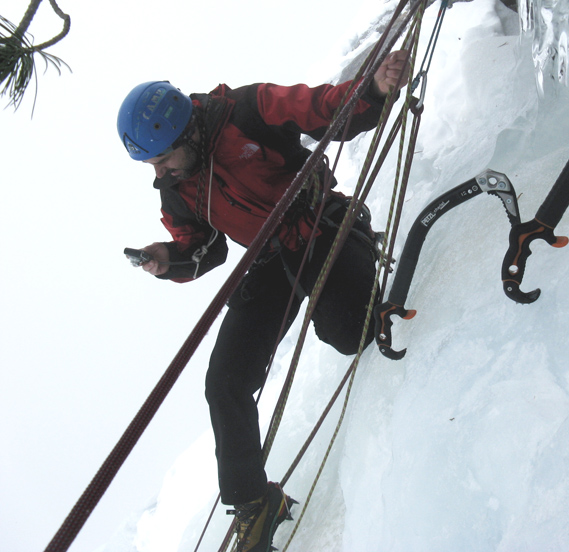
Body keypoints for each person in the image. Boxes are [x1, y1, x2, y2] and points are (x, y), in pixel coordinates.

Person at [117, 50, 410, 552]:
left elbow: (323, 109)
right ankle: (254, 503)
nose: (158, 171)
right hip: (269, 260)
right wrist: (168, 257)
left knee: (349, 334)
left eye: (161, 158)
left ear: (183, 132)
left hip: (319, 224)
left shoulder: (247, 111)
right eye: (153, 163)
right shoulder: (177, 188)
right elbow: (205, 248)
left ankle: (364, 256)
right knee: (225, 381)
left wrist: (375, 90)